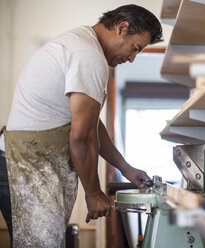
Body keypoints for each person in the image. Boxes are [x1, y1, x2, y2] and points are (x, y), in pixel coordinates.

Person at [0, 4, 163, 247]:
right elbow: (82, 136)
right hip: (23, 168)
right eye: (135, 48)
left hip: (26, 166)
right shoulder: (87, 54)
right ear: (122, 28)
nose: (131, 58)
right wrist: (94, 193)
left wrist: (125, 168)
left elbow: (91, 125)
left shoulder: (82, 45)